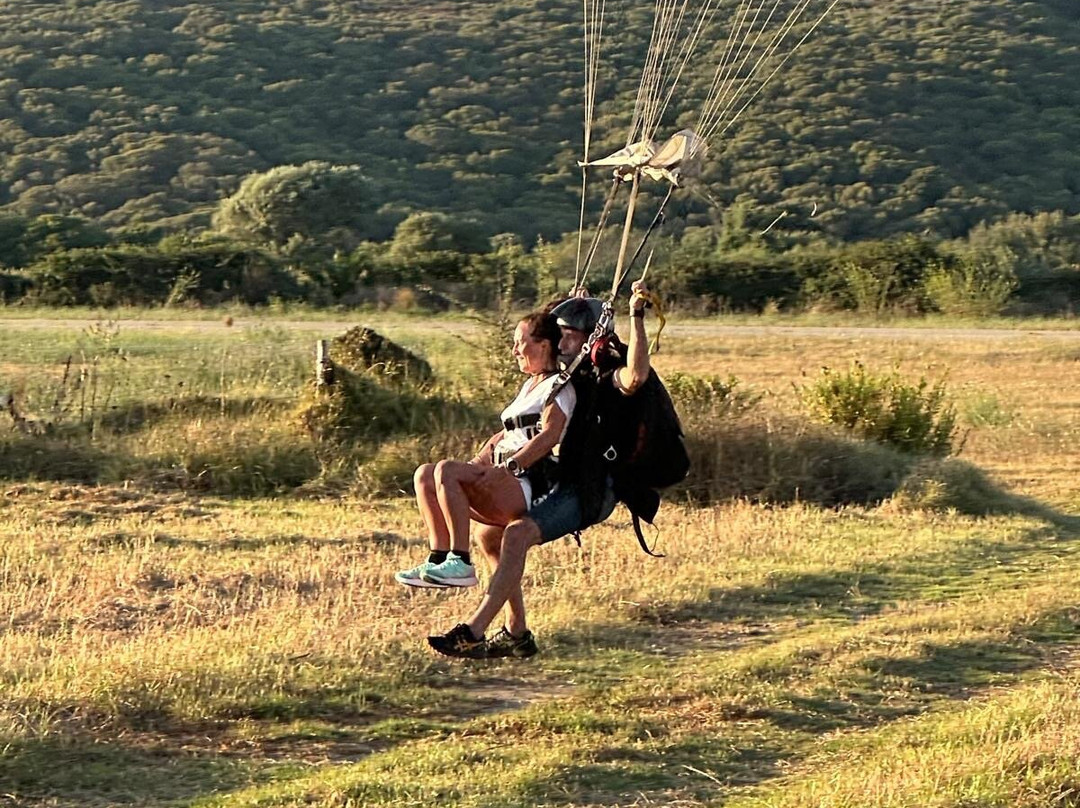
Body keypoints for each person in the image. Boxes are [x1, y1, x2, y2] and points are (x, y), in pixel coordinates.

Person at [426, 281, 654, 659]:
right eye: (559, 334)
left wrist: (636, 318)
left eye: (568, 335)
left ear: (590, 339)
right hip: (562, 477)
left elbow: (638, 376)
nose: (560, 342)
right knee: (490, 537)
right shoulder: (558, 379)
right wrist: (568, 300)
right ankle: (517, 633)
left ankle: (474, 631)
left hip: (592, 488)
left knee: (516, 535)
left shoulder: (604, 377)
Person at [395, 311, 577, 612]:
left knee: (445, 471)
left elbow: (550, 435)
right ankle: (438, 559)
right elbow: (504, 435)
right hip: (505, 475)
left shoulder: (559, 385)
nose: (515, 350)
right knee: (426, 475)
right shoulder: (530, 385)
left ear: (544, 345)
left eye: (520, 343)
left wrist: (510, 468)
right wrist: (477, 463)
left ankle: (461, 562)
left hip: (526, 482)